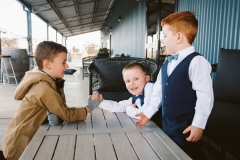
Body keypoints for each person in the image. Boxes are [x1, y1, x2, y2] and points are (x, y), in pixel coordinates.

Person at [2, 41, 101, 160]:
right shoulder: (43, 88)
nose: (67, 66)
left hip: (25, 140)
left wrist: (53, 111)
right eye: (63, 62)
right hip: (20, 146)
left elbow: (59, 106)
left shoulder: (49, 81)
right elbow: (66, 115)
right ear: (48, 64)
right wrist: (88, 108)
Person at [135, 11, 214, 159]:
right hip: (168, 123)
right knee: (168, 151)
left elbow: (205, 95)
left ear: (178, 37)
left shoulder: (196, 62)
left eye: (164, 36)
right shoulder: (166, 63)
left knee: (187, 154)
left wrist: (199, 124)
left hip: (186, 125)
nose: (162, 41)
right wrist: (148, 113)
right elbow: (158, 92)